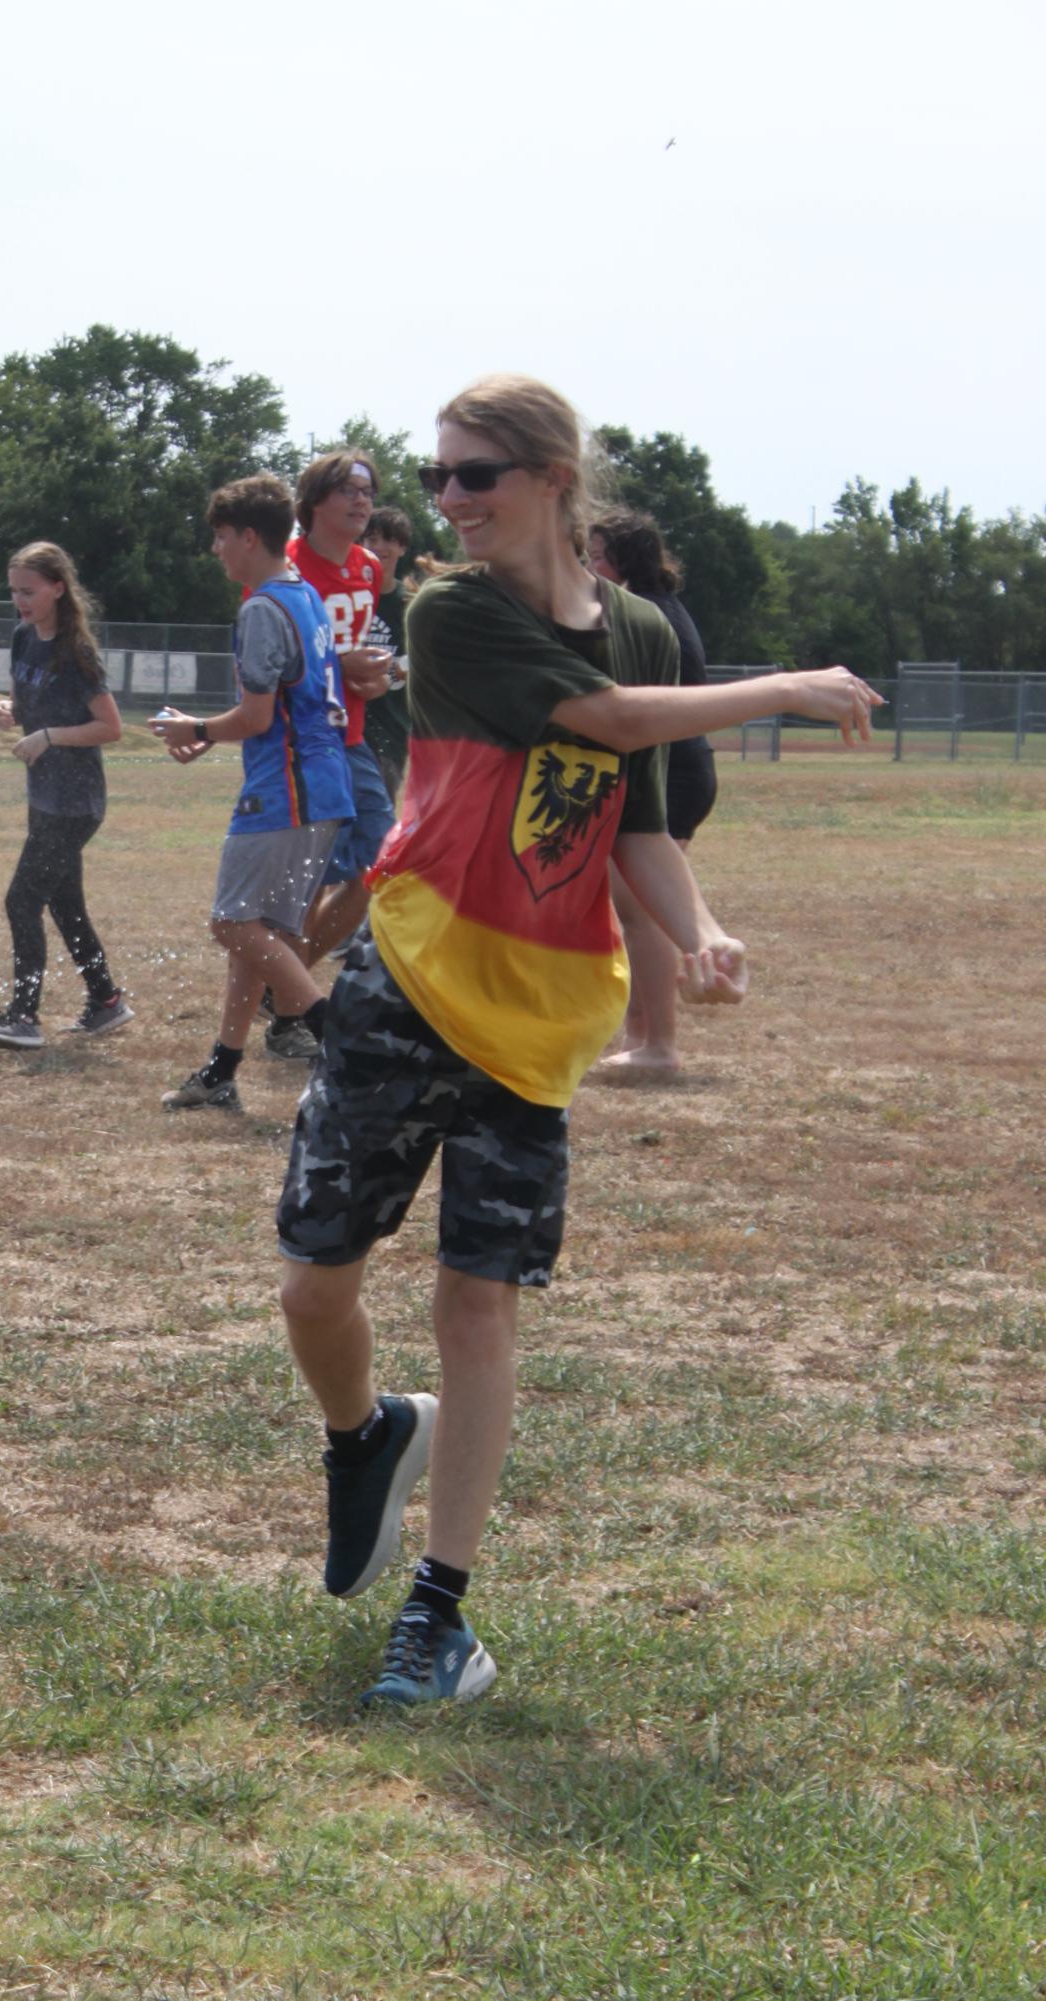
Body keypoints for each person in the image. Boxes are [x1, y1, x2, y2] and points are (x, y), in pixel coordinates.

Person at [274, 373, 881, 1707]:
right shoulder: (454, 614)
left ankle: (439, 1616)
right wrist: (777, 685)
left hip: (541, 1010)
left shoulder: (649, 630)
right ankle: (366, 1436)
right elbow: (602, 725)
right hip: (412, 976)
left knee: (475, 1296)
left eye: (473, 476)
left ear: (553, 478)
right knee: (316, 1281)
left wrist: (699, 926)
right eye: (437, 478)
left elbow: (637, 811)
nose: (448, 502)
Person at [153, 475, 353, 1111]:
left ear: (247, 536)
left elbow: (260, 718)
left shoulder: (261, 607)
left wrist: (196, 728)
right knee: (260, 931)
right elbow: (284, 705)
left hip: (284, 789)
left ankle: (339, 1040)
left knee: (231, 923)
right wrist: (215, 731)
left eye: (219, 537)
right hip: (322, 784)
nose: (215, 550)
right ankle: (221, 1071)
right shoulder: (307, 597)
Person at [0, 542, 132, 1051]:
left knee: (21, 900)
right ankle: (106, 1001)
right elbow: (26, 703)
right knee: (65, 905)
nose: (20, 600)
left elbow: (110, 727)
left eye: (29, 590)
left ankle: (23, 1016)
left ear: (57, 588)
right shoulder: (24, 638)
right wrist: (7, 711)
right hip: (45, 796)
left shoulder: (76, 652)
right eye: (14, 590)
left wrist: (49, 737)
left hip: (76, 803)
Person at [589, 509, 719, 1077]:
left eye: (595, 555)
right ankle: (639, 1035)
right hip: (679, 767)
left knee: (641, 913)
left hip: (672, 771)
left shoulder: (641, 615)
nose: (587, 566)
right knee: (633, 910)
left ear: (621, 560)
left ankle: (658, 1045)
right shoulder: (663, 608)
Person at [283, 453, 398, 1005]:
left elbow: (354, 660)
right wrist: (341, 667)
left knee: (380, 862)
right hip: (301, 740)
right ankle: (290, 992)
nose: (362, 500)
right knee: (310, 875)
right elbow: (269, 659)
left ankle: (288, 981)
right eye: (348, 489)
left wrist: (369, 681)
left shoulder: (370, 567)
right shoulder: (285, 566)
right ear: (314, 501)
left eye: (368, 490)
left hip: (351, 737)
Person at [358, 505, 415, 804]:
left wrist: (401, 667)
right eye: (372, 539)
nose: (379, 547)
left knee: (377, 813)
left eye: (388, 540)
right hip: (346, 726)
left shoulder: (411, 603)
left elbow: (428, 657)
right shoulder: (348, 596)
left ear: (402, 547)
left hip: (391, 729)